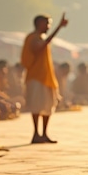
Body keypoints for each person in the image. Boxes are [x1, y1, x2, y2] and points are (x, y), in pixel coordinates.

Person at [21, 13, 68, 144]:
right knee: (36, 106)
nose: (48, 26)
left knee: (48, 106)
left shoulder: (41, 37)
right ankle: (36, 133)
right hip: (35, 77)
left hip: (46, 77)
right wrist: (58, 28)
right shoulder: (33, 38)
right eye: (47, 24)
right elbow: (38, 48)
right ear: (39, 24)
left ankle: (44, 134)